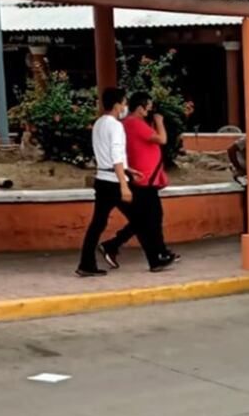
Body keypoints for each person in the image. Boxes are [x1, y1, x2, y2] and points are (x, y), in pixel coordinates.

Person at [98, 92, 178, 271]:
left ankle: (160, 252)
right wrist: (159, 121)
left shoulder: (128, 123)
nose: (150, 110)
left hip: (142, 177)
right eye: (148, 106)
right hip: (143, 179)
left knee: (151, 217)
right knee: (145, 219)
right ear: (140, 107)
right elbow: (162, 139)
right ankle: (115, 245)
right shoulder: (134, 123)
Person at [76, 88, 139, 276]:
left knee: (97, 224)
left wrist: (127, 169)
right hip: (114, 181)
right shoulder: (116, 126)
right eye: (124, 103)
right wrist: (124, 184)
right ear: (117, 105)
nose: (125, 107)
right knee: (142, 218)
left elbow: (105, 154)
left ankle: (86, 263)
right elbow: (116, 156)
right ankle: (112, 245)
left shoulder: (99, 123)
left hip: (102, 179)